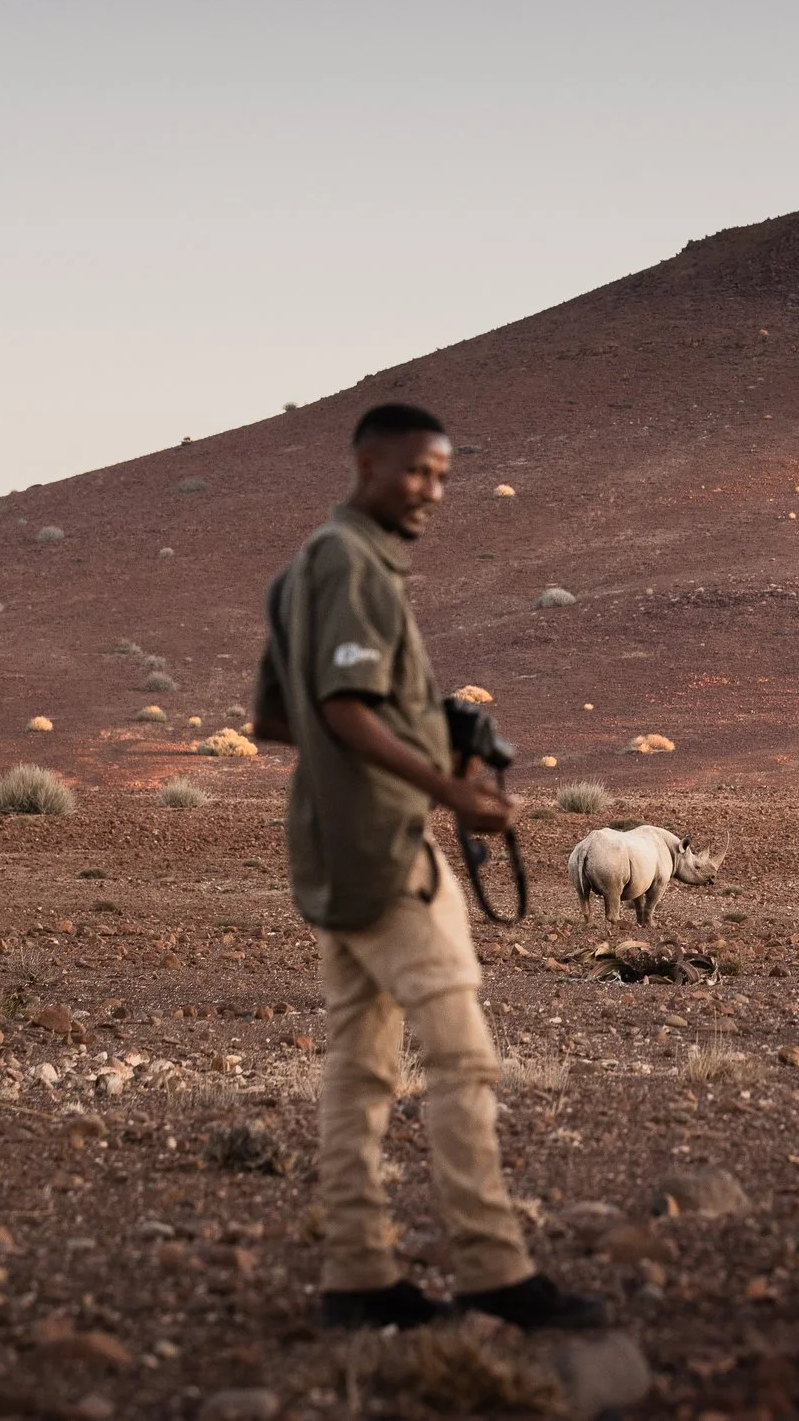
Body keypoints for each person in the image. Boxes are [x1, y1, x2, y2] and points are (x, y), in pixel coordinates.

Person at [251, 402, 605, 1333]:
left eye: (444, 475)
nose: (432, 492)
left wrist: (415, 730)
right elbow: (342, 708)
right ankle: (493, 1267)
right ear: (368, 463)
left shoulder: (300, 574)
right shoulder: (353, 563)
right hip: (389, 850)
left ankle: (358, 1274)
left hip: (331, 850)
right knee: (461, 1054)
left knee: (359, 1064)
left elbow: (281, 719)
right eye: (417, 471)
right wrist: (450, 791)